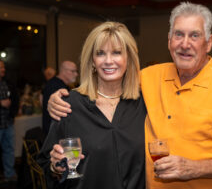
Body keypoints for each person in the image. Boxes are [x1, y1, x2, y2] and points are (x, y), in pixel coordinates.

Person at [47, 2, 212, 189]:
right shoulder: (150, 77)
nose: (185, 43)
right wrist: (57, 96)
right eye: (178, 34)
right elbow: (110, 76)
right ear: (169, 40)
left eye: (195, 35)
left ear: (209, 42)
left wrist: (194, 168)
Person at [37, 22, 146, 189]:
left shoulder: (144, 104)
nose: (108, 61)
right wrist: (56, 166)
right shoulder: (69, 105)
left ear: (129, 58)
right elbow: (47, 163)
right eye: (100, 53)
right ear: (93, 61)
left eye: (117, 53)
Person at [42, 61, 78, 135]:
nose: (76, 74)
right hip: (54, 132)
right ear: (64, 71)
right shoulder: (55, 86)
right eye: (73, 71)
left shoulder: (61, 85)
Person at [0, 60, 19, 183]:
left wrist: (13, 111)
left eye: (3, 67)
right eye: (1, 67)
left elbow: (15, 98)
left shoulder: (7, 83)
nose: (3, 69)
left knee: (9, 149)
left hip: (8, 123)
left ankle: (9, 174)